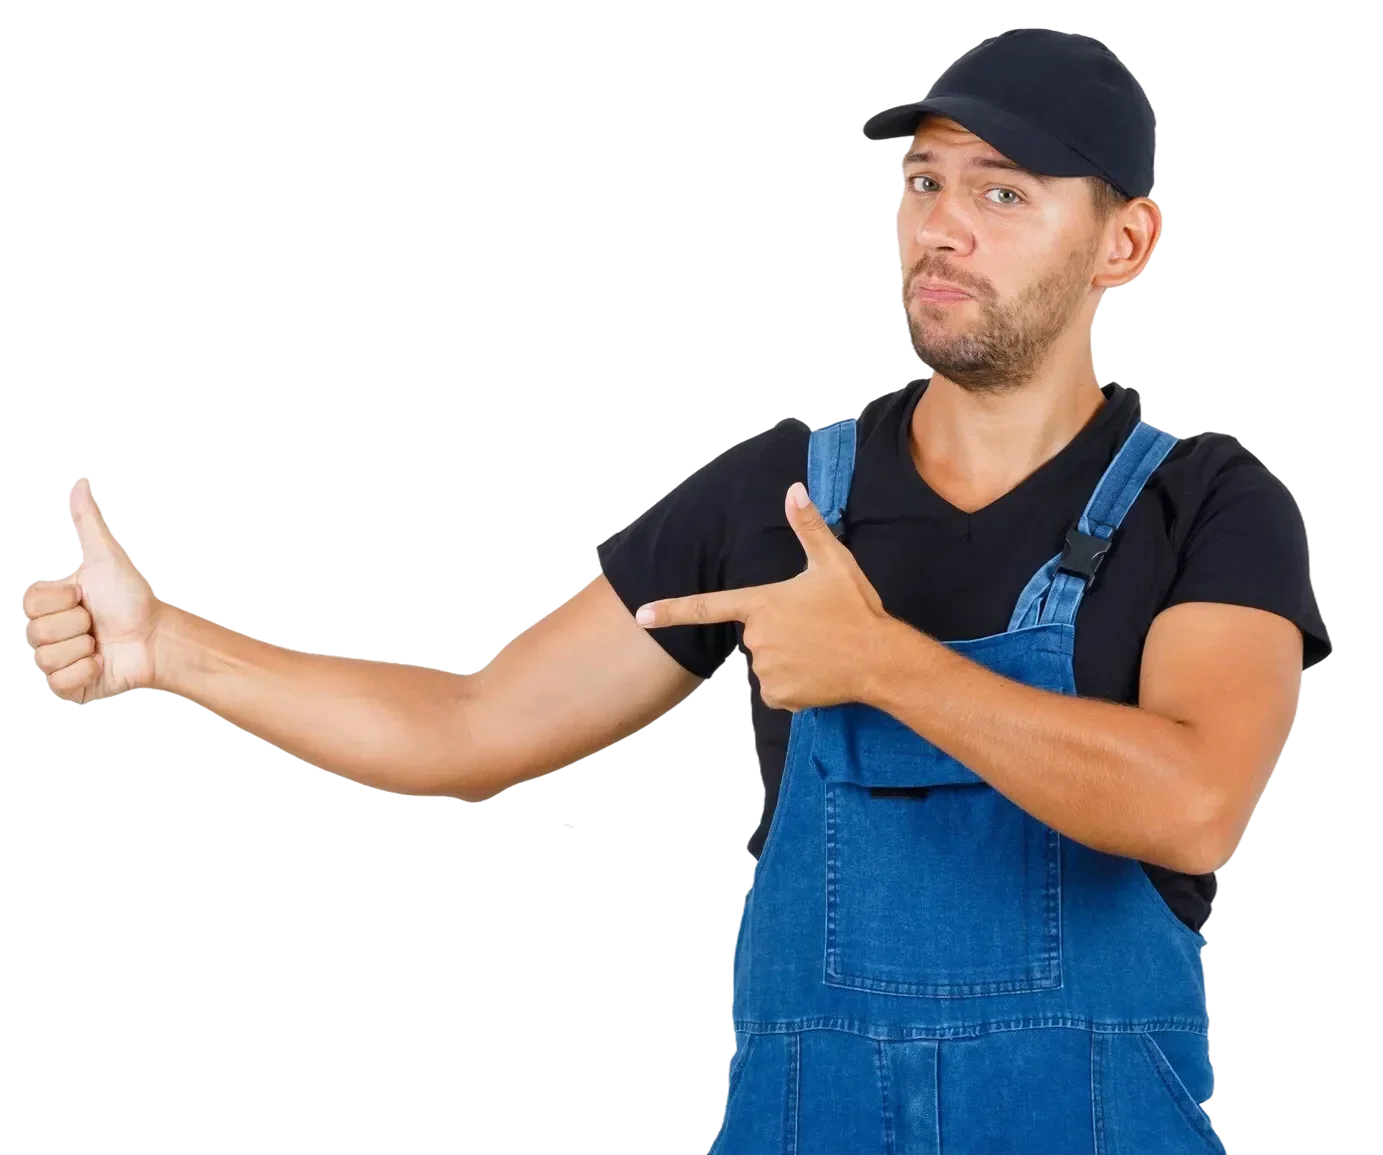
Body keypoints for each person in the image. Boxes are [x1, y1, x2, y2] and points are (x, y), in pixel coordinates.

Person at [22, 28, 1330, 1154]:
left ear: (1128, 242)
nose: (940, 223)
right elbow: (469, 728)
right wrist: (172, 652)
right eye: (922, 179)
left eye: (1003, 194)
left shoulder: (1205, 504)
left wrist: (878, 661)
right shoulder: (781, 493)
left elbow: (1192, 802)